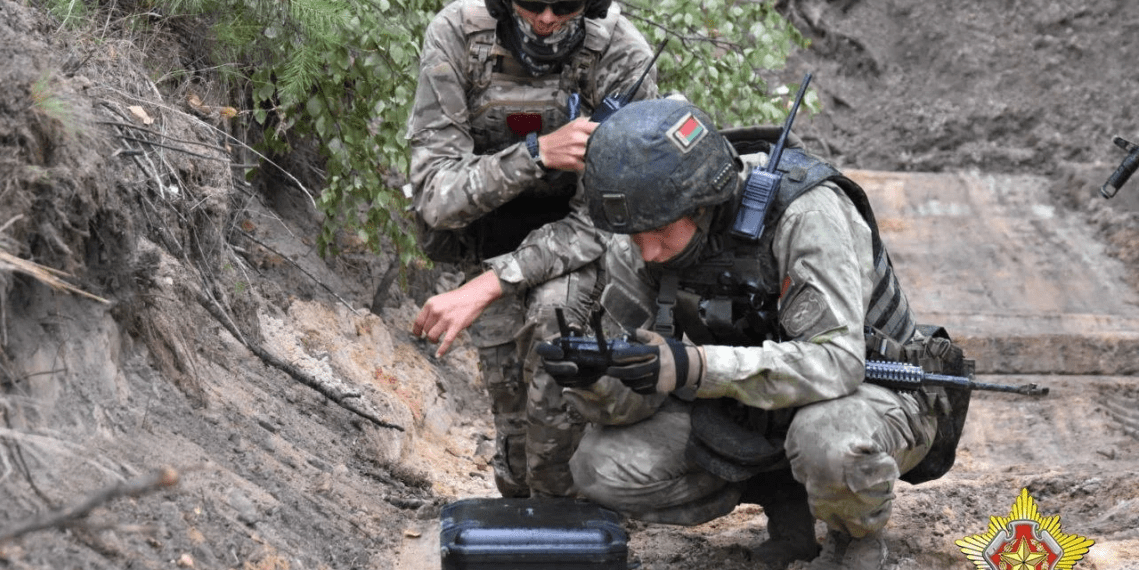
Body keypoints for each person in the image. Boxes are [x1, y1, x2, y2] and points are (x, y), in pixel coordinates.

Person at [540, 98, 969, 569]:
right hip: (746, 405)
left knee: (829, 443)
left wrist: (695, 366)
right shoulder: (640, 237)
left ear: (703, 203)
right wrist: (598, 379)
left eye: (659, 229)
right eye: (634, 233)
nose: (648, 252)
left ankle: (852, 538)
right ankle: (784, 498)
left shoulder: (807, 213)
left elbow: (838, 362)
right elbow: (635, 398)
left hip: (874, 389)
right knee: (599, 468)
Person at [406, 0, 659, 498]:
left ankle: (561, 514)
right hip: (490, 238)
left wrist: (493, 283)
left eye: (564, 5)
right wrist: (538, 153)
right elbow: (436, 197)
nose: (546, 17)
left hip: (583, 248)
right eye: (531, 2)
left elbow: (605, 219)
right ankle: (528, 501)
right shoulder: (458, 35)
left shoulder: (620, 53)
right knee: (516, 442)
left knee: (554, 326)